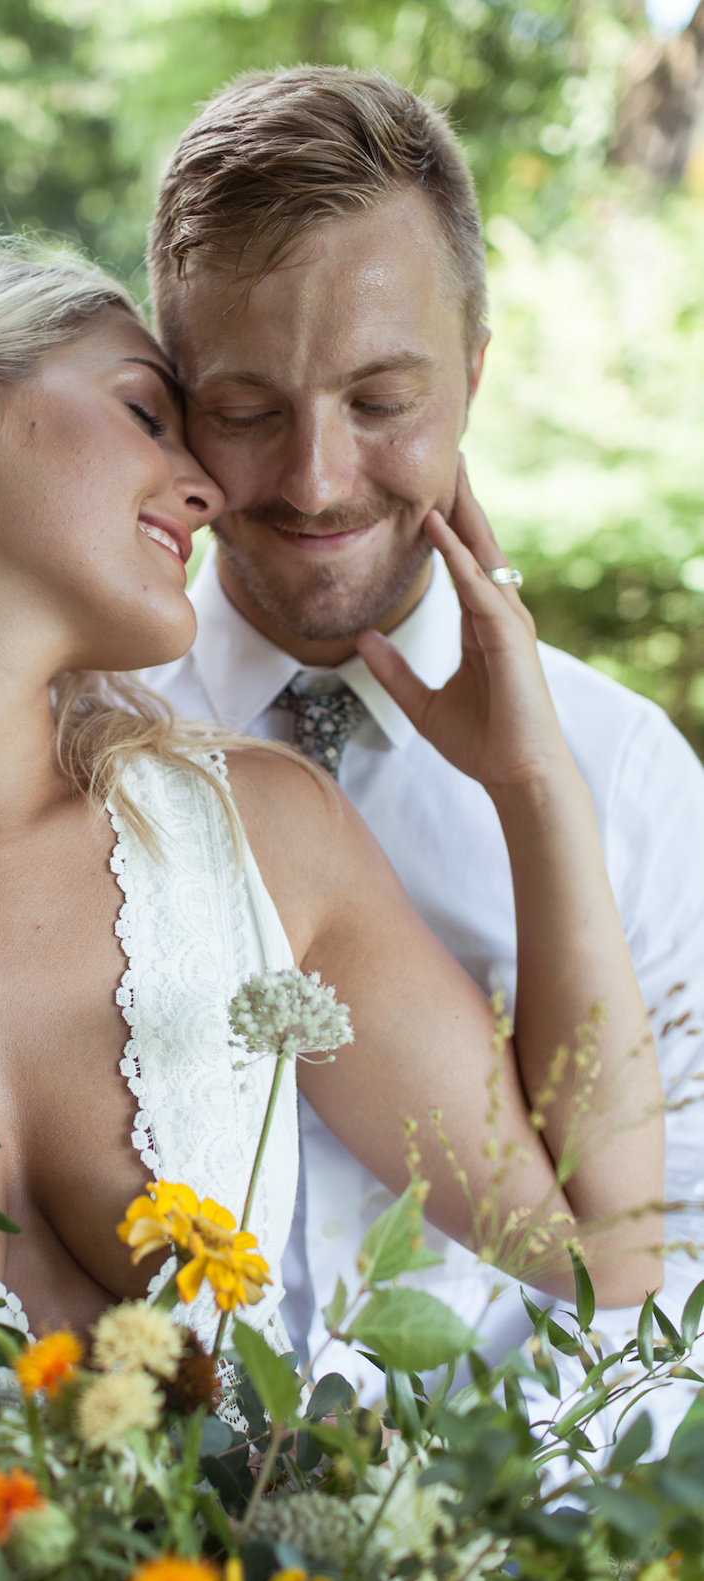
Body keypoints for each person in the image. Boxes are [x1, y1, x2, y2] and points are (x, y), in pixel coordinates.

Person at [0, 239, 662, 1551]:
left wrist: (534, 784)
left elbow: (606, 1250)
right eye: (148, 410)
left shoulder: (260, 835)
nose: (205, 484)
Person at [144, 65, 704, 1443]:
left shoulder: (628, 778)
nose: (318, 479)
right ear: (172, 393)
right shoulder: (79, 730)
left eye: (382, 401)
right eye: (248, 408)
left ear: (474, 373)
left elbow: (667, 1260)